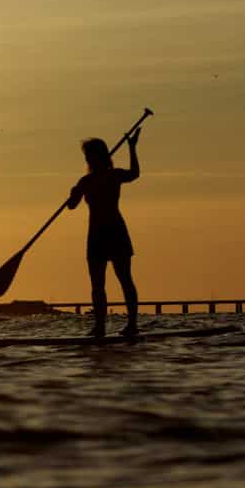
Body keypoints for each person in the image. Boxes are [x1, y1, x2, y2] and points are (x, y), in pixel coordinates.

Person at [66, 128, 141, 339]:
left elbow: (134, 174)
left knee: (125, 278)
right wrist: (74, 193)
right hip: (96, 235)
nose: (88, 159)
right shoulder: (85, 182)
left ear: (101, 156)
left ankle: (133, 325)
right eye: (86, 156)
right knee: (97, 284)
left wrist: (132, 148)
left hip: (116, 231)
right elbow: (71, 206)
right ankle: (99, 327)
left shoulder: (114, 175)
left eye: (91, 155)